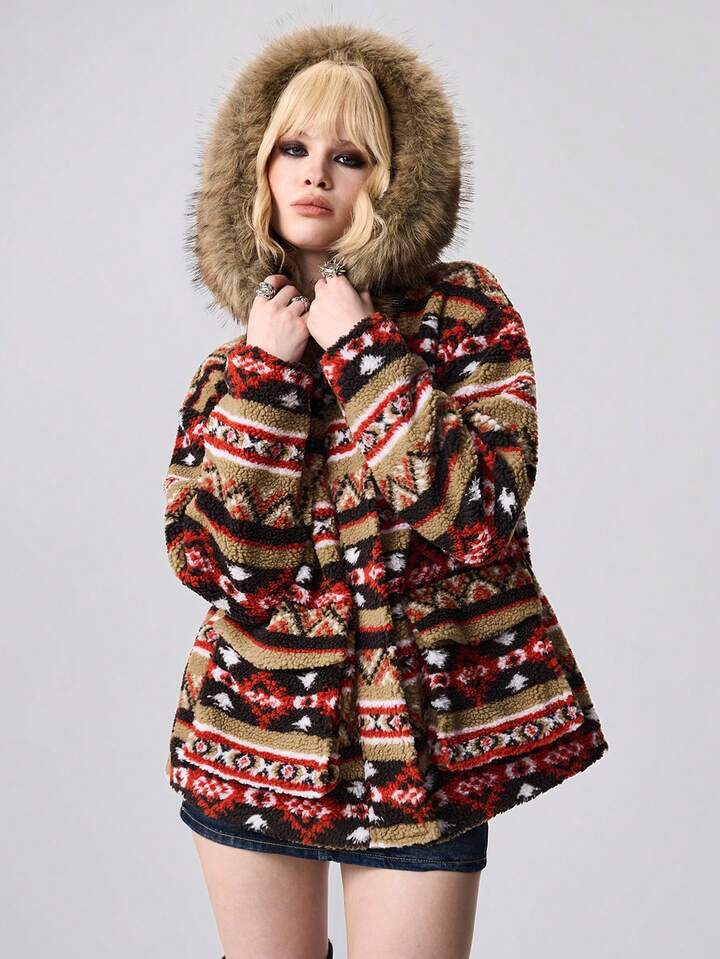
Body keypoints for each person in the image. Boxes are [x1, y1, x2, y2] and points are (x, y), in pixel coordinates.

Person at [161, 23, 609, 959]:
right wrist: (267, 379)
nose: (314, 174)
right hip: (255, 736)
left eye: (348, 155)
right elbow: (223, 570)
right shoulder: (234, 365)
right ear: (256, 167)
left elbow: (478, 519)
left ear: (391, 182)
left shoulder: (465, 314)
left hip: (426, 747)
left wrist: (361, 350)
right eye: (292, 148)